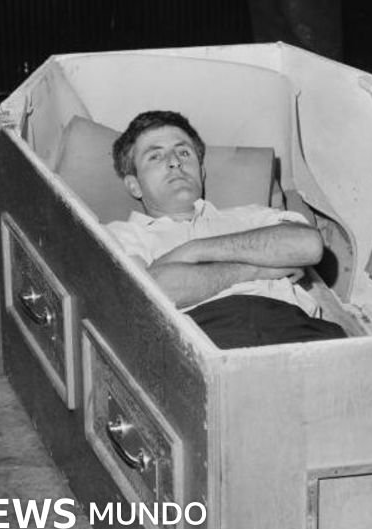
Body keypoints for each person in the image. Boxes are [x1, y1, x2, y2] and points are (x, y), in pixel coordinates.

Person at [106, 110, 347, 349]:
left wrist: (192, 253)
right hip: (201, 339)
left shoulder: (251, 215)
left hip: (300, 331)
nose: (175, 162)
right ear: (134, 185)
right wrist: (259, 268)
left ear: (201, 172)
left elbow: (307, 245)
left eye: (184, 152)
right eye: (155, 156)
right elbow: (152, 292)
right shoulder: (122, 235)